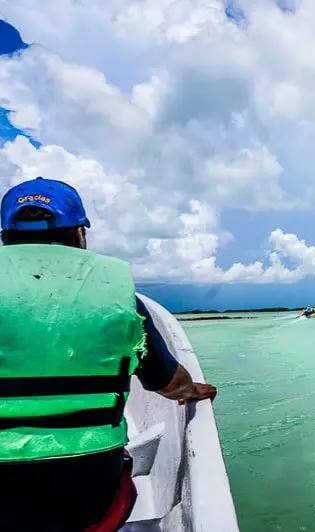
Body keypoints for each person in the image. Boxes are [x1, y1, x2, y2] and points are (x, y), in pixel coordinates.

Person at [0, 177, 218, 531]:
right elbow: (168, 384)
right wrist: (193, 390)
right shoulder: (116, 296)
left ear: (5, 237)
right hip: (88, 503)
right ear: (80, 235)